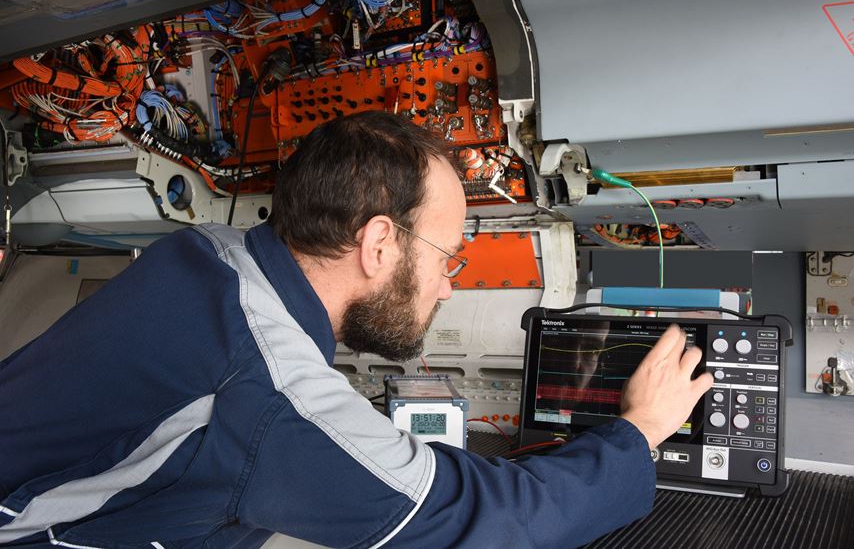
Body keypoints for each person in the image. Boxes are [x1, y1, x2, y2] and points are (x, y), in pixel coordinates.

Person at [0, 111, 712, 548]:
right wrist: (639, 433)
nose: (449, 284)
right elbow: (489, 520)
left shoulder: (205, 255)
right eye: (447, 256)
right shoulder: (270, 391)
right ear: (378, 244)